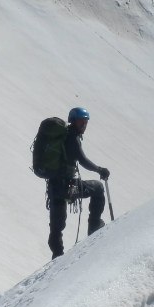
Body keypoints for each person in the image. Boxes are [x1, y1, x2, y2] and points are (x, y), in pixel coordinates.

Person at [46, 106, 110, 259]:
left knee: (56, 226)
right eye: (81, 122)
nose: (84, 125)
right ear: (73, 121)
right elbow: (82, 161)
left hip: (54, 187)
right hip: (69, 187)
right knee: (98, 188)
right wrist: (100, 170)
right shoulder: (72, 138)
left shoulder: (63, 136)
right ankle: (94, 225)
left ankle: (57, 255)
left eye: (85, 122)